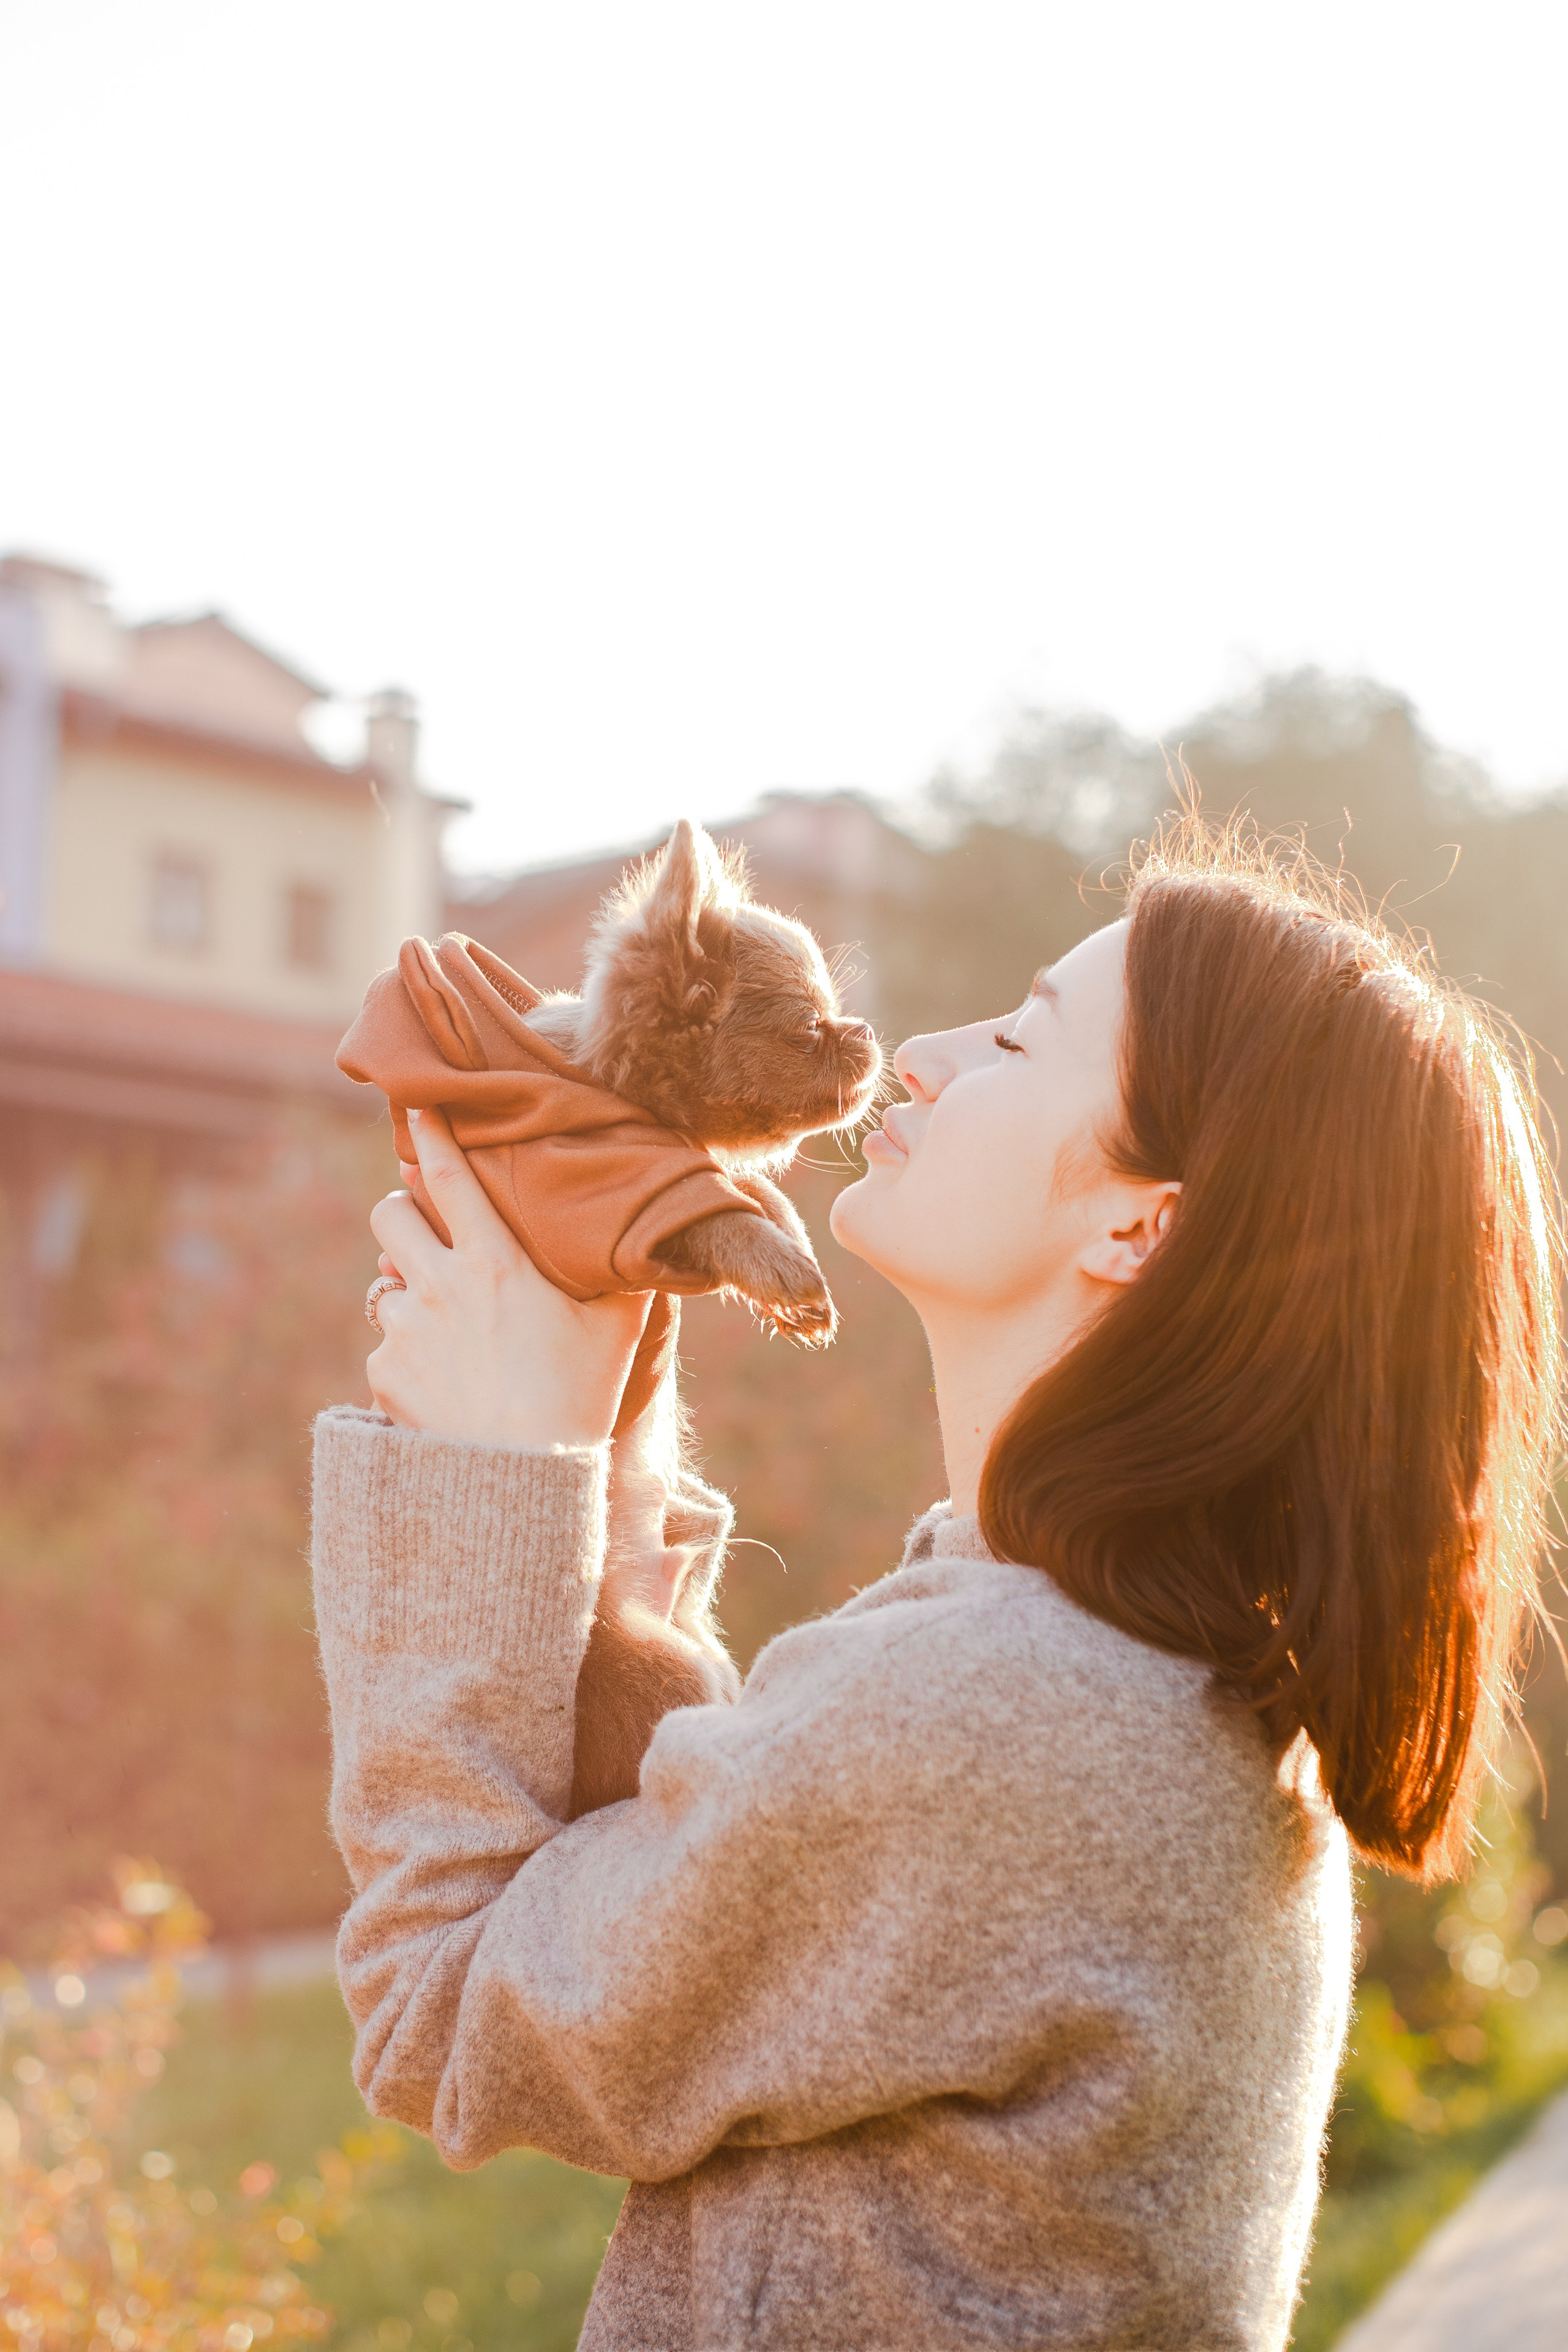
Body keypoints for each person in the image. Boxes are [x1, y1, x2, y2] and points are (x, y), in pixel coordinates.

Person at [311, 815, 1561, 2352]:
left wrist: (486, 1477)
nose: (913, 1053)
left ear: (1140, 1222)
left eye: (1017, 1039)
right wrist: (585, 1450)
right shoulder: (1116, 1675)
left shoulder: (1002, 1712)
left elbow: (448, 2010)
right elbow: (706, 1886)